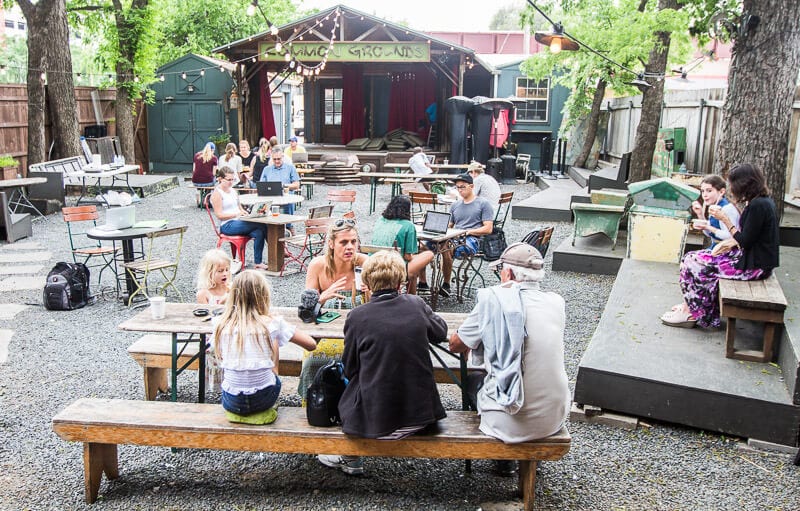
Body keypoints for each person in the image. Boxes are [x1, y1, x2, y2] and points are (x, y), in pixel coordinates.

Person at [318, 250, 447, 475]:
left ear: (367, 281)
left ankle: (349, 455)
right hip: (420, 416)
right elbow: (440, 332)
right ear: (400, 281)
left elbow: (350, 368)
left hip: (376, 420)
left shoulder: (358, 316)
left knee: (346, 386)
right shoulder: (416, 304)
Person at [448, 242, 570, 473]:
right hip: (552, 416)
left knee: (474, 379)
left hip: (512, 422)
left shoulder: (493, 300)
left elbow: (455, 344)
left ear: (509, 273)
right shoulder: (556, 303)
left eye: (499, 270)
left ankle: (504, 458)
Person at [661, 163, 780, 329]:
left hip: (754, 266)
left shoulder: (758, 205)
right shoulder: (759, 202)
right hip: (750, 259)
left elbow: (744, 240)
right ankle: (691, 305)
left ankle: (692, 312)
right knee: (690, 258)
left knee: (694, 264)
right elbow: (750, 238)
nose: (731, 188)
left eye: (733, 184)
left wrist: (725, 219)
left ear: (744, 183)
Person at [211, 270, 316, 423]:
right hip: (263, 398)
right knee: (272, 340)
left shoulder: (220, 323)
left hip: (232, 400)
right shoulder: (272, 323)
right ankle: (270, 392)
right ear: (263, 296)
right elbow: (311, 345)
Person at [298, 219, 370, 399]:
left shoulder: (364, 264)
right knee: (312, 362)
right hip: (325, 334)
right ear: (331, 244)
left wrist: (370, 295)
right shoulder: (318, 266)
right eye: (343, 242)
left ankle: (357, 404)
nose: (350, 247)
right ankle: (316, 404)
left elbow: (377, 311)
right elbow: (305, 313)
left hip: (358, 335)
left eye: (354, 242)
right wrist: (322, 298)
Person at [434, 173, 494, 297]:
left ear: (471, 186)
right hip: (454, 237)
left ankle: (446, 283)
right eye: (457, 187)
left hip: (472, 239)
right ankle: (423, 283)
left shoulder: (483, 204)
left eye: (462, 187)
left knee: (446, 247)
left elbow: (488, 228)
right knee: (424, 245)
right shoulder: (455, 205)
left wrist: (468, 231)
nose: (460, 190)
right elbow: (449, 225)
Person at [209, 167, 269, 270]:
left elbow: (239, 207)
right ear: (220, 179)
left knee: (259, 231)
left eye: (233, 179)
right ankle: (275, 250)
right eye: (229, 180)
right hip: (227, 225)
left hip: (238, 221)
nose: (231, 182)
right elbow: (219, 215)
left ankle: (258, 262)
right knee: (261, 224)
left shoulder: (233, 191)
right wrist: (236, 214)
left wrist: (244, 213)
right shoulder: (217, 194)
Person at [371, 195, 433, 294]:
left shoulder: (380, 220)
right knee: (427, 254)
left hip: (375, 262)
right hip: (393, 267)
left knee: (419, 252)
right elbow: (408, 257)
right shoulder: (408, 225)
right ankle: (412, 295)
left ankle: (422, 284)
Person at [691, 174, 740, 249]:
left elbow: (729, 236)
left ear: (721, 192)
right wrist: (700, 214)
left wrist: (707, 227)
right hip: (717, 248)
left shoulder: (726, 209)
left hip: (728, 250)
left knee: (690, 259)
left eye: (709, 191)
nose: (704, 195)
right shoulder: (714, 206)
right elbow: (709, 234)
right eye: (703, 191)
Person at [259, 148, 301, 234]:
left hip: (286, 197)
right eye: (274, 159)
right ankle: (269, 228)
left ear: (283, 157)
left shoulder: (290, 168)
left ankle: (289, 226)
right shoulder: (267, 169)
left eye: (279, 159)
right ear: (271, 159)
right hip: (271, 197)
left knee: (288, 203)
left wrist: (284, 186)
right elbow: (261, 185)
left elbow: (297, 185)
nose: (277, 161)